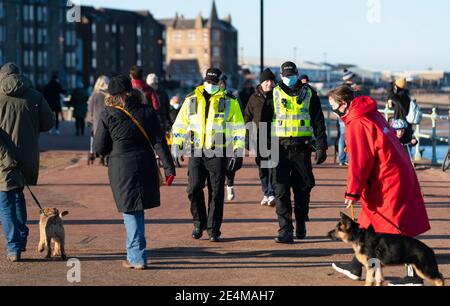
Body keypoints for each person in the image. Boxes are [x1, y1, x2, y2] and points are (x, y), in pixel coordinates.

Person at [328, 85, 431, 286]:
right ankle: (357, 267)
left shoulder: (357, 123)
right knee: (368, 225)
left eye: (333, 106)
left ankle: (414, 277)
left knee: (397, 229)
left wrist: (352, 192)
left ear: (343, 104)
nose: (332, 110)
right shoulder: (371, 113)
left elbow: (360, 161)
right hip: (394, 174)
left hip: (388, 181)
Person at [94, 75, 176, 270]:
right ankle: (135, 253)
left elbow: (99, 148)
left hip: (121, 167)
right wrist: (169, 167)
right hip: (145, 163)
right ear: (131, 92)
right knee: (135, 209)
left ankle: (137, 256)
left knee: (131, 211)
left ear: (112, 95)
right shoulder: (146, 111)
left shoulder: (108, 114)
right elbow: (159, 141)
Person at [171, 68, 246, 242]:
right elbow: (180, 124)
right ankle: (199, 223)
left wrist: (238, 150)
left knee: (216, 193)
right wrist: (177, 143)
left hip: (218, 152)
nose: (210, 85)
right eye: (208, 82)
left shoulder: (230, 101)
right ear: (204, 80)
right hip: (196, 151)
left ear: (220, 82)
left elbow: (239, 128)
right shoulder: (191, 100)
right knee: (193, 188)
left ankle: (213, 229)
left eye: (214, 82)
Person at [0, 63, 54, 262]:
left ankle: (14, 246)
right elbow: (48, 123)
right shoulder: (34, 96)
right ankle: (20, 239)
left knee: (5, 201)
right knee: (17, 195)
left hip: (3, 159)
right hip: (27, 156)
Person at [269, 61, 328, 243]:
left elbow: (319, 122)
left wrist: (321, 147)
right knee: (281, 190)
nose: (289, 78)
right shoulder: (273, 94)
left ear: (297, 74)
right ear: (281, 76)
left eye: (292, 75)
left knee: (303, 188)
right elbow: (263, 122)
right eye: (286, 76)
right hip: (278, 148)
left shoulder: (309, 93)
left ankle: (301, 220)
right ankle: (285, 230)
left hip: (301, 148)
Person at [244, 68, 276, 207]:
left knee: (273, 166)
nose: (269, 83)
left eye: (271, 81)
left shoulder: (278, 96)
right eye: (266, 81)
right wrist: (246, 138)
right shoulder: (253, 97)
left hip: (275, 136)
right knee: (263, 167)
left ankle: (272, 192)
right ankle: (266, 193)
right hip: (258, 137)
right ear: (261, 82)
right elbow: (247, 117)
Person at [219, 74, 239, 201]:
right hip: (213, 138)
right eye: (218, 83)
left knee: (230, 166)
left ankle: (230, 184)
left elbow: (239, 114)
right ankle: (220, 189)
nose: (220, 85)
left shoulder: (232, 97)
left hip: (229, 137)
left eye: (222, 83)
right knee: (217, 167)